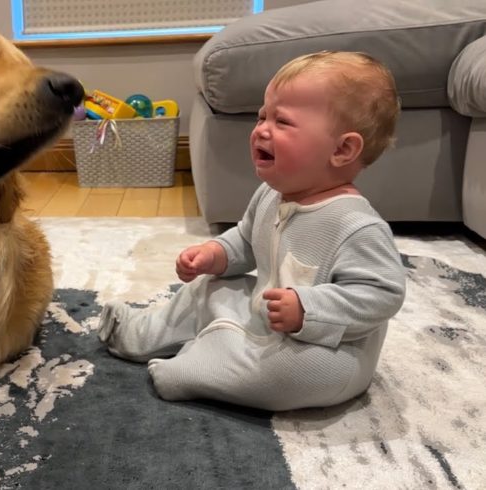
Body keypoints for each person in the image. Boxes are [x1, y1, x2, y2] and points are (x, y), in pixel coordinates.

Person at [98, 51, 407, 411]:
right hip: (265, 313)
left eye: (282, 121)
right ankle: (141, 333)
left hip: (327, 347)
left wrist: (309, 309)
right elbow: (246, 238)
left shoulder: (355, 226)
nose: (261, 129)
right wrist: (216, 255)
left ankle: (196, 368)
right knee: (207, 288)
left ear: (342, 149)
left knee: (290, 373)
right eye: (262, 116)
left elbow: (382, 295)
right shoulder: (270, 195)